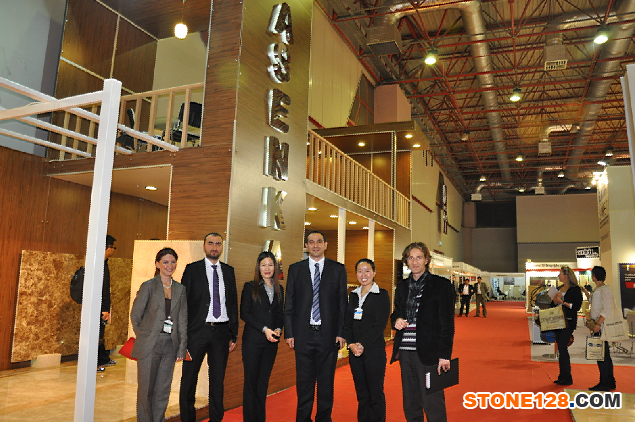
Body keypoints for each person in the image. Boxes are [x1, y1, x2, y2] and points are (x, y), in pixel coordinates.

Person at [284, 230, 348, 422]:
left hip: (328, 335)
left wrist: (341, 332)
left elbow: (342, 304)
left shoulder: (338, 269)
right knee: (304, 383)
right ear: (306, 246)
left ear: (326, 245)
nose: (315, 245)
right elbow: (289, 303)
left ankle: (323, 418)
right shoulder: (296, 269)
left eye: (319, 241)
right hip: (303, 335)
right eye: (311, 242)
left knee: (326, 382)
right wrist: (290, 333)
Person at [390, 242, 455, 422]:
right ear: (406, 261)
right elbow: (396, 311)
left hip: (429, 353)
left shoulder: (441, 285)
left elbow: (447, 323)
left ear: (426, 260)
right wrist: (396, 320)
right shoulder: (402, 286)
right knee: (411, 401)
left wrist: (444, 355)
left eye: (419, 257)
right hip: (405, 351)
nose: (415, 262)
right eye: (411, 258)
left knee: (433, 402)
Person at [179, 233, 239, 422]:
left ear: (222, 246)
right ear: (204, 246)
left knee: (217, 382)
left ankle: (216, 419)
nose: (214, 247)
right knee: (189, 380)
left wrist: (233, 334)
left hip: (221, 333)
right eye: (210, 243)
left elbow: (232, 303)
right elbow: (183, 303)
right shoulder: (192, 269)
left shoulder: (229, 271)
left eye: (218, 244)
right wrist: (183, 335)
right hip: (197, 332)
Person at [130, 248, 188, 422]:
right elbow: (136, 315)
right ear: (157, 264)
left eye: (173, 262)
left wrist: (181, 348)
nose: (170, 266)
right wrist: (145, 336)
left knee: (163, 390)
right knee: (146, 390)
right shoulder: (148, 286)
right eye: (165, 262)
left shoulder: (180, 289)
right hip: (150, 345)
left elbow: (182, 320)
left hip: (170, 345)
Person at [342, 258, 390, 422]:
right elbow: (347, 323)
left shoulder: (381, 295)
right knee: (362, 394)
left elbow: (379, 326)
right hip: (355, 353)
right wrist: (351, 344)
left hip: (374, 352)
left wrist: (361, 344)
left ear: (374, 273)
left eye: (367, 271)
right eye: (360, 271)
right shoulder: (353, 295)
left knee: (375, 393)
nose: (363, 275)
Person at [240, 251, 285, 422]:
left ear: (275, 267)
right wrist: (265, 329)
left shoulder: (279, 288)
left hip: (271, 343)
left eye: (270, 265)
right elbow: (245, 313)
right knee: (251, 383)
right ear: (258, 267)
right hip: (253, 342)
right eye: (264, 265)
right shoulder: (250, 287)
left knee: (263, 382)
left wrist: (278, 328)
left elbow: (279, 313)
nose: (267, 268)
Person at [552, 266, 583, 386]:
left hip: (568, 321)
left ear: (566, 275)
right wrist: (554, 301)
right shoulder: (560, 288)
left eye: (560, 274)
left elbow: (576, 307)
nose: (558, 276)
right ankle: (562, 376)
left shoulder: (575, 289)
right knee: (561, 348)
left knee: (563, 348)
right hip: (558, 321)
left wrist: (563, 302)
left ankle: (567, 377)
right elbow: (553, 305)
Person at [587, 266, 616, 391]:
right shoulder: (599, 289)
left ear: (594, 276)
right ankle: (609, 381)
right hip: (599, 324)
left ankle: (604, 382)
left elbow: (607, 308)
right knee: (605, 354)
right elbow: (596, 304)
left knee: (601, 355)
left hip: (601, 326)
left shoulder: (604, 289)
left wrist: (598, 324)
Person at [97, 234, 117, 372]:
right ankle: (98, 362)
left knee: (100, 335)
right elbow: (102, 289)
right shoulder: (100, 265)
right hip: (99, 307)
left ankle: (102, 359)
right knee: (97, 335)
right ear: (109, 248)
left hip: (99, 307)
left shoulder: (101, 263)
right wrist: (104, 309)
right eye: (113, 247)